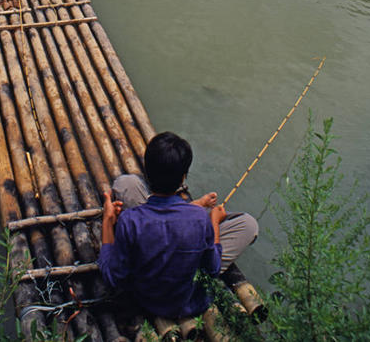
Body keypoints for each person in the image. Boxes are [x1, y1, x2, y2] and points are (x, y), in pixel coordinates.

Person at [98, 132, 258, 319]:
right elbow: (213, 269)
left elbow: (113, 277)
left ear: (147, 173)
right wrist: (213, 221)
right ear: (183, 178)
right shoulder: (200, 219)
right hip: (185, 302)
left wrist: (108, 222)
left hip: (144, 298)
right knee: (249, 225)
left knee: (125, 182)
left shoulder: (130, 221)